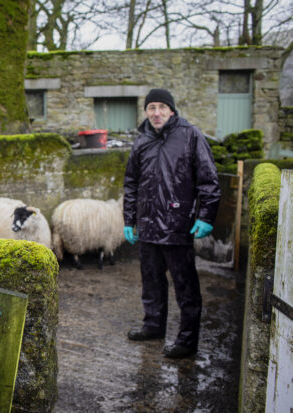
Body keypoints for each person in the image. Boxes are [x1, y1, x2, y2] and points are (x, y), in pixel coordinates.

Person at [123, 88, 220, 358]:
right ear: (146, 112)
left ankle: (187, 341)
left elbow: (209, 180)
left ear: (171, 110)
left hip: (178, 226)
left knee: (186, 288)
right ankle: (153, 325)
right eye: (151, 107)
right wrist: (129, 220)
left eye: (161, 107)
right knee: (151, 282)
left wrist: (206, 216)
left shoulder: (190, 135)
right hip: (148, 227)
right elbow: (131, 184)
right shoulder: (141, 140)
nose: (156, 113)